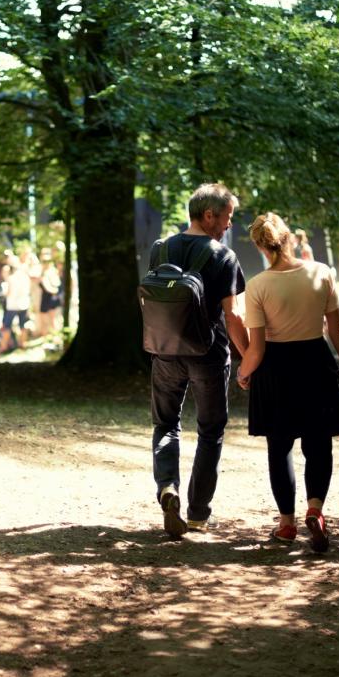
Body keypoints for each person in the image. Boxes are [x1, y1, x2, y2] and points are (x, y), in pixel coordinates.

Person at [236, 212, 339, 554]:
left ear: (261, 246)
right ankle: (316, 510)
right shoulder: (321, 273)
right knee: (319, 444)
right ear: (288, 238)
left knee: (280, 447)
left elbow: (257, 347)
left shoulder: (257, 286)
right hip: (316, 363)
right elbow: (336, 331)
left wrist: (243, 372)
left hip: (276, 369)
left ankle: (286, 524)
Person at [149, 183, 248, 538]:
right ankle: (197, 514)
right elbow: (233, 317)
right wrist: (249, 356)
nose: (228, 226)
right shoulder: (223, 256)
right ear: (209, 215)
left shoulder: (161, 249)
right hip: (208, 355)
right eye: (227, 218)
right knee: (210, 431)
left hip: (165, 352)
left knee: (166, 424)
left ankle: (167, 487)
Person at [37, 249, 63, 337]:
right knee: (44, 319)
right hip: (46, 297)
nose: (45, 263)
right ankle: (47, 337)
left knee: (52, 319)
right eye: (44, 261)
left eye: (47, 261)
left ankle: (55, 337)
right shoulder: (41, 271)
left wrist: (51, 290)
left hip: (50, 298)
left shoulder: (52, 271)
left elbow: (56, 286)